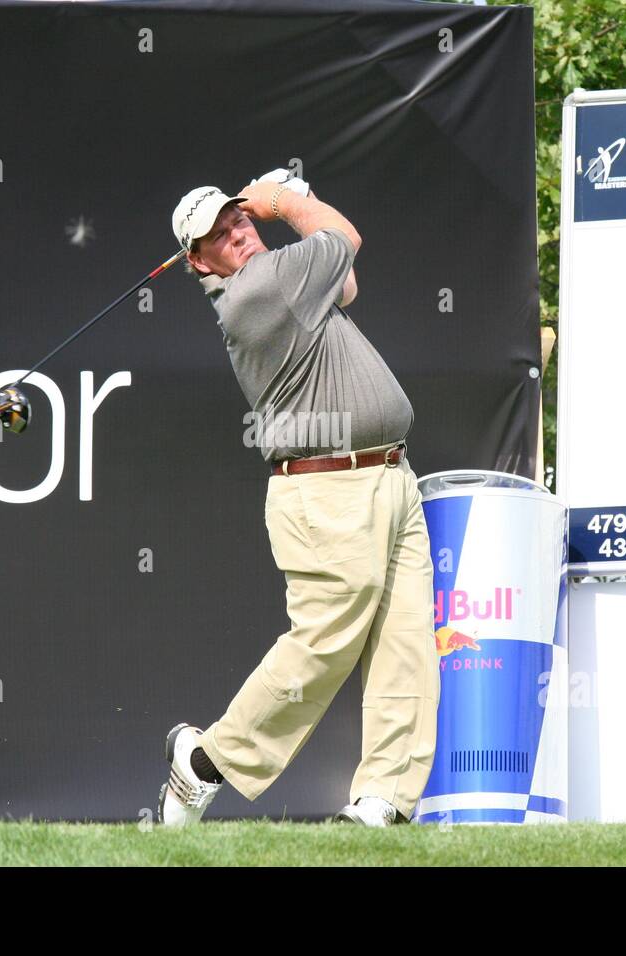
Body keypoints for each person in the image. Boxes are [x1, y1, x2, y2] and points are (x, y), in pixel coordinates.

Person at [155, 178, 440, 826]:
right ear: (201, 263)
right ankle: (203, 764)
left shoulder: (284, 280)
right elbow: (345, 240)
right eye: (220, 237)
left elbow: (346, 284)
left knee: (407, 641)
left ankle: (384, 800)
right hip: (327, 489)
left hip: (391, 476)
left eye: (238, 219)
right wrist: (283, 198)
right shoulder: (258, 290)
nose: (238, 233)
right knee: (322, 645)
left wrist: (285, 208)